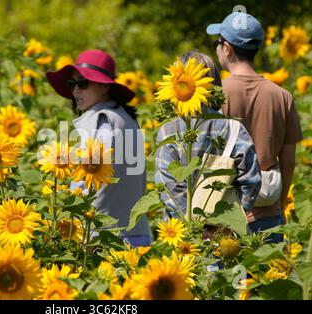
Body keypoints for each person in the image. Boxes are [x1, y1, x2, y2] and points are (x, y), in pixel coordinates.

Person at [207, 12, 303, 242]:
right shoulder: (283, 96)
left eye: (217, 43)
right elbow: (289, 160)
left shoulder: (217, 94)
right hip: (269, 211)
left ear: (227, 48)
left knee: (229, 279)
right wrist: (280, 205)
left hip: (227, 216)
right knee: (267, 275)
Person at [46, 49, 151, 247]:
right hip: (138, 233)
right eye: (72, 84)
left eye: (83, 84)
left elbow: (88, 175)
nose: (76, 91)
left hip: (104, 238)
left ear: (104, 87)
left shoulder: (100, 120)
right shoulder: (126, 118)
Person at [155, 51, 262, 232]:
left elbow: (167, 187)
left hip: (179, 236)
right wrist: (230, 220)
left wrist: (193, 226)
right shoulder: (232, 128)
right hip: (224, 235)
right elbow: (251, 180)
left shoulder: (168, 129)